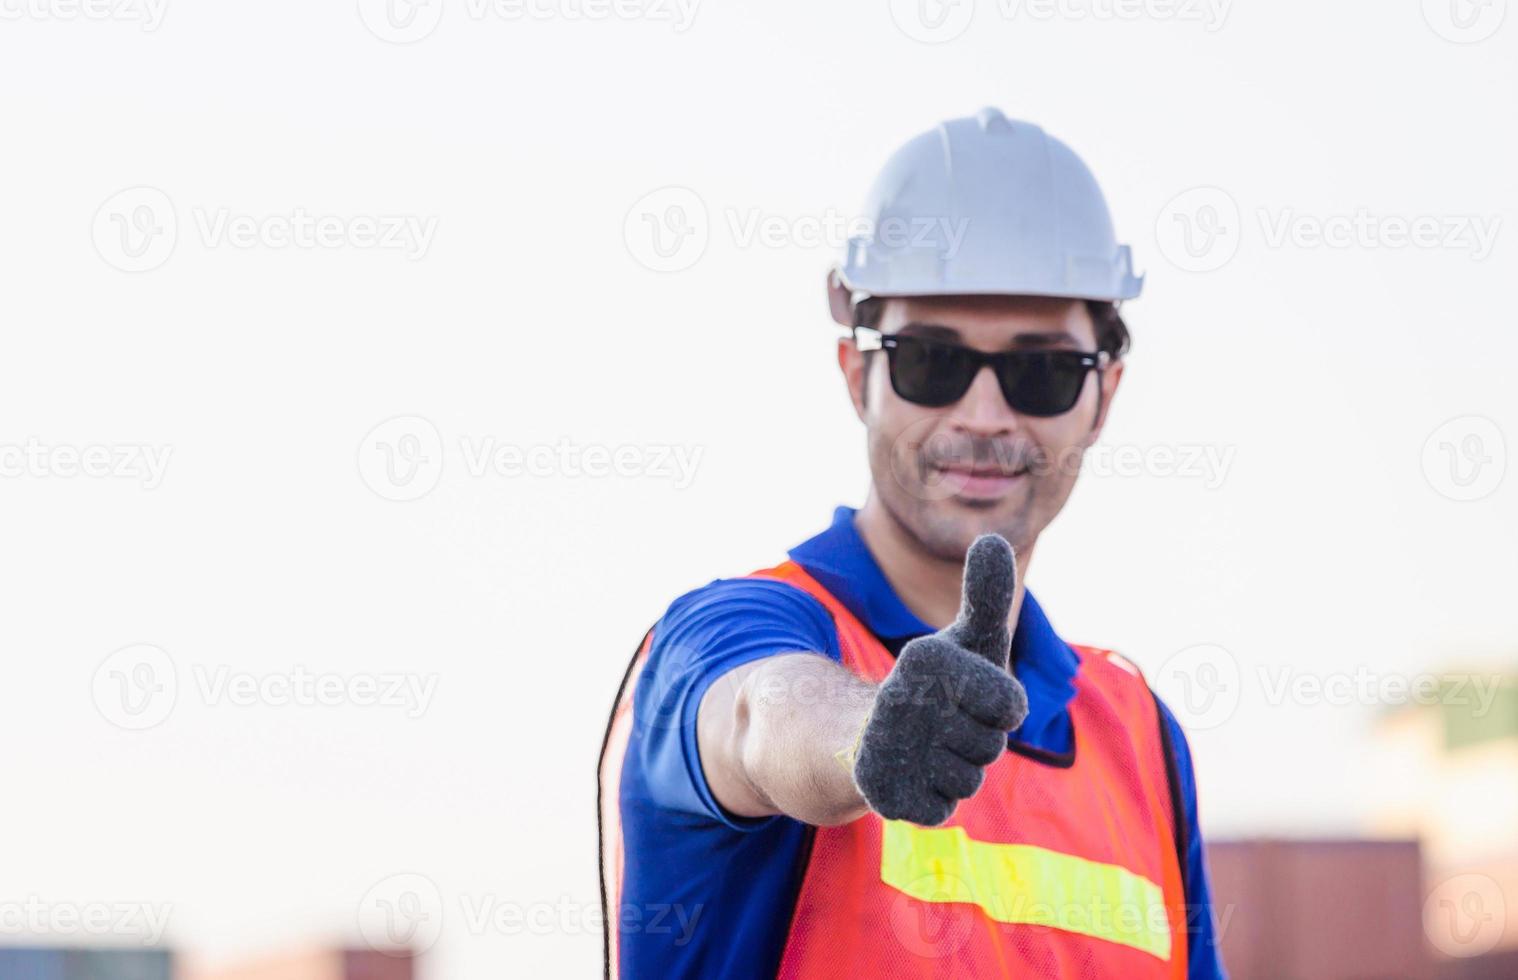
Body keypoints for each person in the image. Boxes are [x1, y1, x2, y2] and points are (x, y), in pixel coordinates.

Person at [599, 107, 1227, 979]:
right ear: (859, 374)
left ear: (1106, 393)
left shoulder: (1139, 739)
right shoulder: (733, 629)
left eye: (1040, 372)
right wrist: (868, 736)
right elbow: (757, 717)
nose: (981, 415)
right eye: (931, 361)